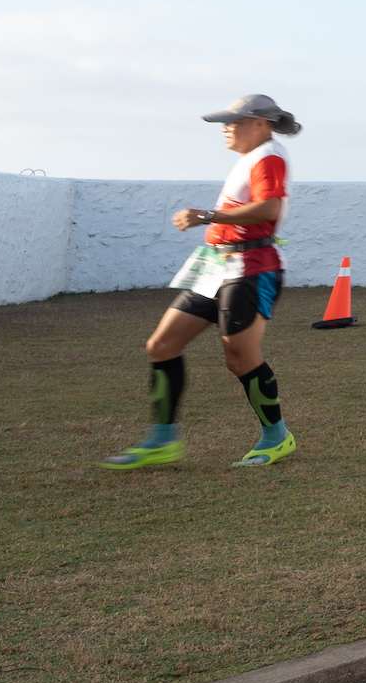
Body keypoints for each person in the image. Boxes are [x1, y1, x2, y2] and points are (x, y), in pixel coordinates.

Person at [102, 96, 301, 472]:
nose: (226, 128)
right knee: (161, 345)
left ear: (259, 122)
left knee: (239, 356)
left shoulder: (269, 155)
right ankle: (162, 439)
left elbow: (270, 208)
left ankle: (277, 436)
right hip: (218, 267)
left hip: (252, 266)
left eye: (233, 121)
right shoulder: (252, 157)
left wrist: (206, 215)